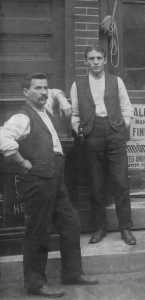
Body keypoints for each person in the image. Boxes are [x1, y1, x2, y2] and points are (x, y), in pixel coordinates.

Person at [0, 73, 98, 298]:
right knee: (38, 232)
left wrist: (61, 99)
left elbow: (55, 92)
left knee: (71, 225)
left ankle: (72, 273)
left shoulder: (46, 108)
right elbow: (3, 137)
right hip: (37, 182)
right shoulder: (22, 117)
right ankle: (35, 283)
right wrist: (21, 161)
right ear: (26, 92)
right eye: (38, 88)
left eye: (45, 87)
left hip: (56, 180)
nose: (44, 92)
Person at [70, 45, 136, 245]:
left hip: (115, 133)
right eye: (91, 58)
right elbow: (74, 113)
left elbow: (127, 108)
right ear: (86, 61)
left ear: (105, 60)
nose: (96, 62)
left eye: (99, 58)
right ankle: (100, 228)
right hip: (92, 135)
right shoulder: (77, 84)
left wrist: (121, 125)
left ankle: (125, 228)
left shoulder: (116, 81)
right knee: (96, 185)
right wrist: (79, 130)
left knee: (121, 183)